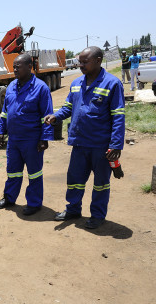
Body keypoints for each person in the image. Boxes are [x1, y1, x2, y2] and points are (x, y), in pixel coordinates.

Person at [44, 46, 125, 229]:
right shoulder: (76, 83)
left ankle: (97, 215)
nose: (80, 65)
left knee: (101, 183)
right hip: (79, 143)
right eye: (79, 61)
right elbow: (68, 108)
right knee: (74, 180)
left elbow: (118, 116)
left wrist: (116, 145)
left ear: (97, 60)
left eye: (84, 61)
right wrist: (56, 116)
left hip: (101, 145)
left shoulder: (112, 84)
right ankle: (73, 209)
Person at [0, 54, 54, 215]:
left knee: (34, 173)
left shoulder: (41, 88)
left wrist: (44, 138)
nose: (15, 69)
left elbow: (47, 115)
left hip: (32, 140)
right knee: (13, 171)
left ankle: (34, 203)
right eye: (14, 67)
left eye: (18, 66)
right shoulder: (11, 86)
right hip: (14, 140)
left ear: (29, 66)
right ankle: (9, 198)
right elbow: (5, 112)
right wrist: (0, 131)